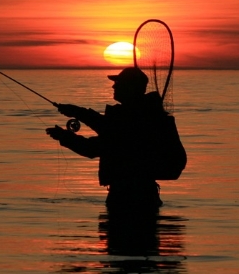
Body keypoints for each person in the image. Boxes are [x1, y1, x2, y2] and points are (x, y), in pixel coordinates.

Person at [46, 66, 186, 215]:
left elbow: (93, 148)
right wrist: (76, 111)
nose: (114, 86)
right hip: (144, 195)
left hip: (127, 197)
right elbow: (105, 126)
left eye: (118, 83)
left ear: (130, 88)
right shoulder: (143, 115)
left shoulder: (133, 120)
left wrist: (64, 136)